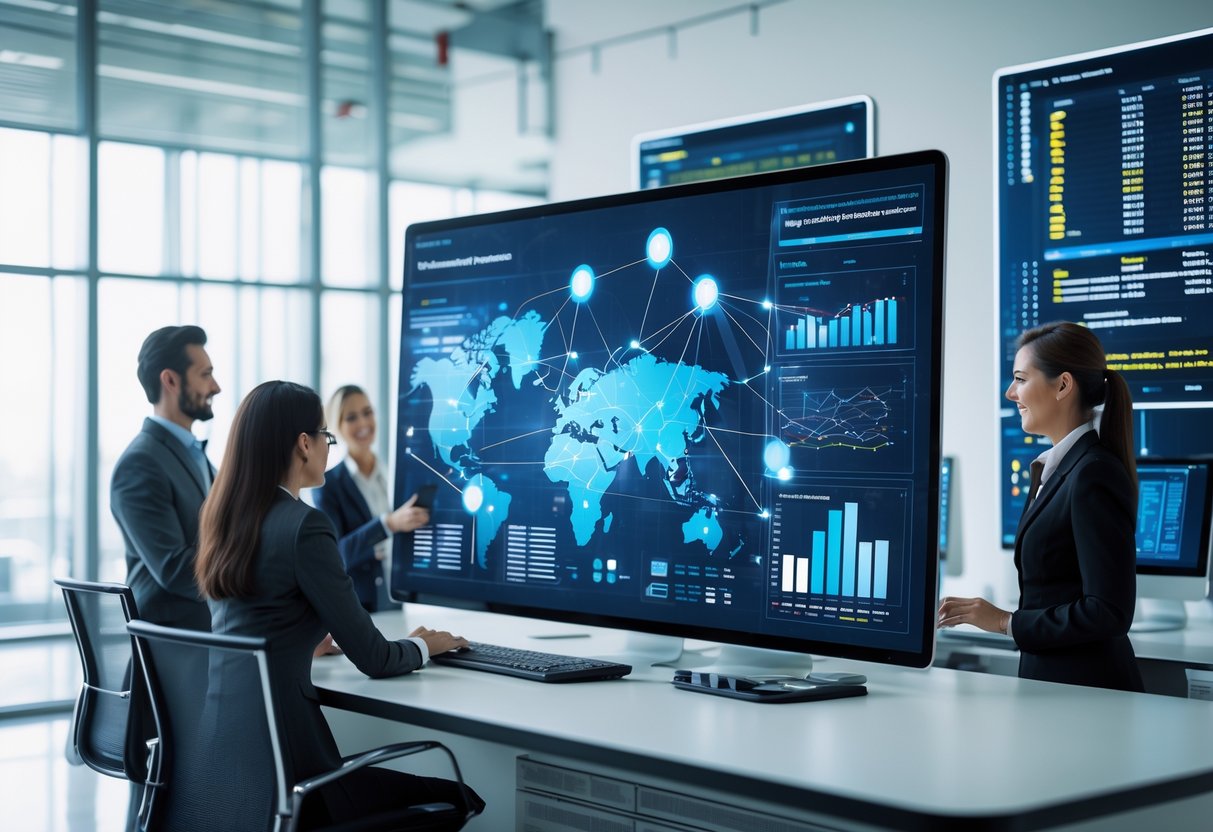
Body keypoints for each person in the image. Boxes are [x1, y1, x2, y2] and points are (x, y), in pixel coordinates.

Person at [194, 380, 483, 825]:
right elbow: (377, 658)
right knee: (460, 797)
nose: (330, 447)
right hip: (301, 784)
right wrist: (426, 645)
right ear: (304, 444)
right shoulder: (305, 526)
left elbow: (252, 620)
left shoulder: (225, 518)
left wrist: (301, 640)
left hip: (225, 773)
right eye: (328, 436)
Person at [937, 321, 1144, 692]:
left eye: (1020, 378)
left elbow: (1109, 612)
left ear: (1063, 385)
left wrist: (1004, 621)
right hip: (1055, 686)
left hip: (1088, 694)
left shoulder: (1093, 474)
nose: (1010, 392)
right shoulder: (1059, 468)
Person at [111, 324, 221, 631]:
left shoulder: (196, 456)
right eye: (205, 374)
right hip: (179, 641)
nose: (216, 387)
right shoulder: (140, 464)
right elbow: (176, 571)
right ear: (171, 380)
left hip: (214, 629)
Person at [314, 384, 429, 611]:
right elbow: (336, 554)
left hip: (405, 597)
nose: (363, 423)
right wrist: (388, 524)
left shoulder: (394, 474)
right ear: (337, 426)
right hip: (363, 605)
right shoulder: (327, 485)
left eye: (367, 413)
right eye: (351, 417)